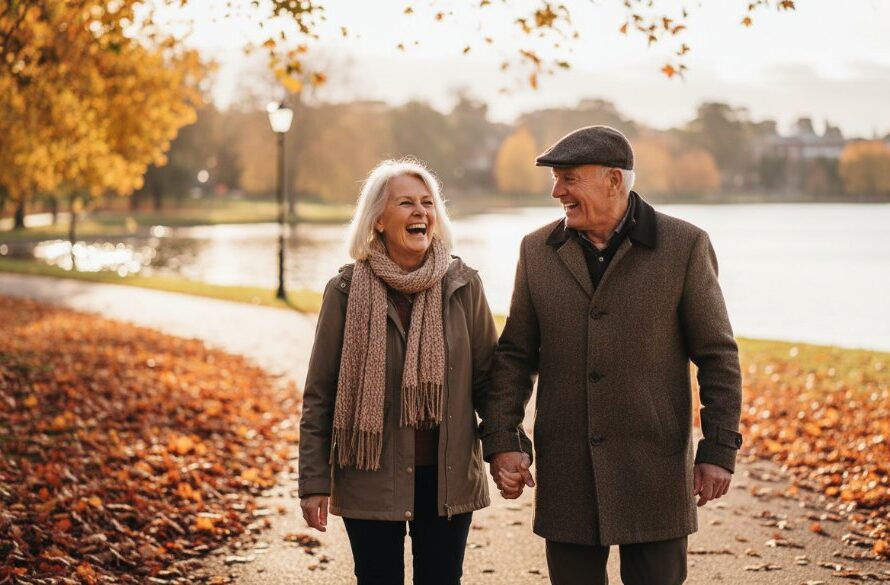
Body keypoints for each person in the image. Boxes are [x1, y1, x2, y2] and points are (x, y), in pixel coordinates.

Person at [481, 126, 743, 585]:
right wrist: (504, 442)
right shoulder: (537, 250)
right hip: (567, 470)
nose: (556, 191)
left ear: (614, 180)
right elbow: (515, 356)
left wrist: (719, 449)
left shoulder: (684, 246)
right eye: (556, 179)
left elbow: (718, 356)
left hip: (656, 468)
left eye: (568, 178)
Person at [298, 158, 500, 585]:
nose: (420, 212)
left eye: (427, 203)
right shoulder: (345, 292)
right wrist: (313, 480)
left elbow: (491, 384)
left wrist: (507, 449)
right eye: (406, 203)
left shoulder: (463, 286)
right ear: (377, 221)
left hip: (447, 481)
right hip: (369, 475)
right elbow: (321, 393)